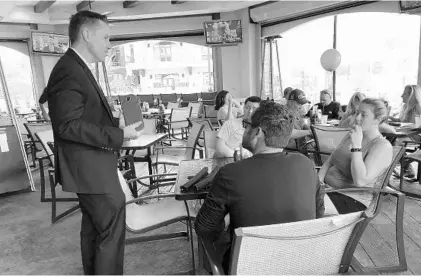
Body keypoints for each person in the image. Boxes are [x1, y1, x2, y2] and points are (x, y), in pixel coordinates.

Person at [46, 11, 143, 275]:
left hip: (91, 168)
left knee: (95, 232)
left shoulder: (75, 67)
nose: (109, 44)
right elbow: (67, 125)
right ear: (86, 35)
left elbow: (83, 116)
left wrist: (115, 123)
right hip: (91, 171)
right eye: (106, 37)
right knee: (110, 235)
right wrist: (120, 136)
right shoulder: (69, 71)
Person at [195, 101, 321, 273]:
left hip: (250, 266)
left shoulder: (229, 174)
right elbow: (318, 213)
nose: (244, 129)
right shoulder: (306, 164)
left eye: (247, 125)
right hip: (300, 263)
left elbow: (204, 228)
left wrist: (227, 220)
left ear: (258, 132)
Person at [318, 98, 393, 214]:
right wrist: (319, 182)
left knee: (301, 204)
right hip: (329, 190)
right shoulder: (353, 134)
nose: (357, 118)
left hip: (353, 200)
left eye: (363, 115)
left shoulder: (382, 146)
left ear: (377, 120)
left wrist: (356, 146)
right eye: (357, 113)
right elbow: (330, 160)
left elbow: (360, 180)